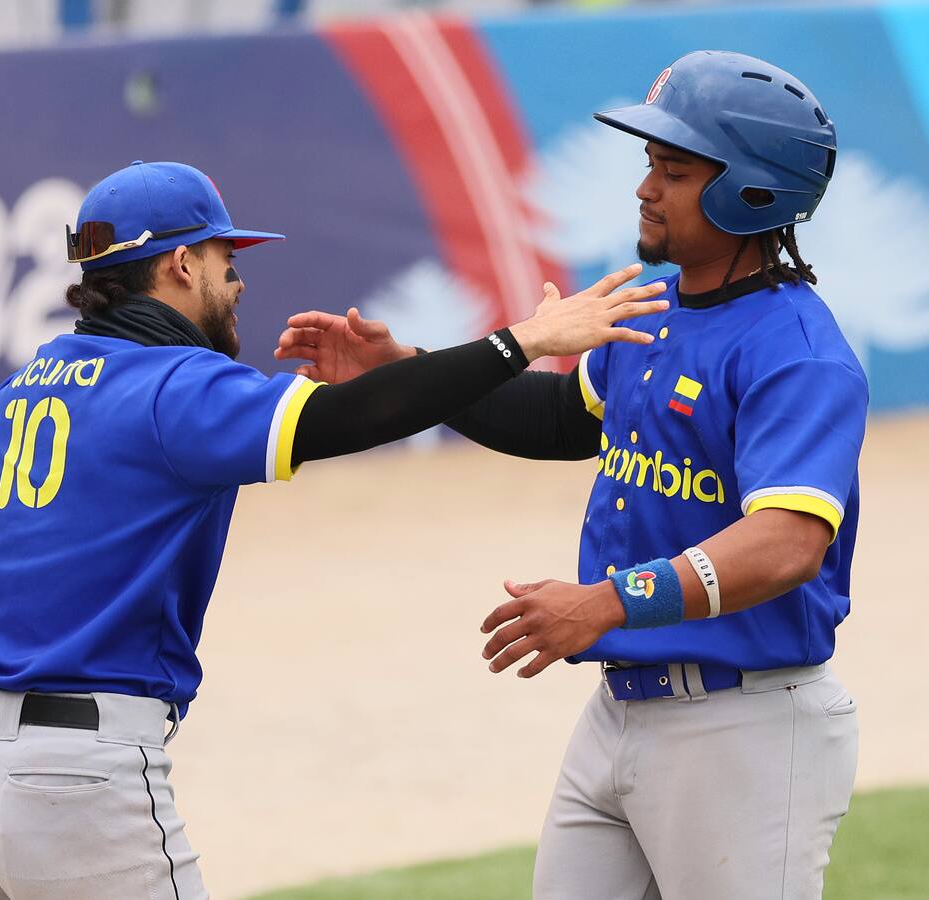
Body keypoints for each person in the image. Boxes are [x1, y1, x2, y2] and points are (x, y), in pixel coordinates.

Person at [0, 159, 670, 900]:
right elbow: (348, 421)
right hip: (69, 786)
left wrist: (397, 364)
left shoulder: (23, 385)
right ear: (177, 268)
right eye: (223, 257)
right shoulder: (172, 388)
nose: (237, 280)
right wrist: (524, 341)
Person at [275, 51, 866, 899]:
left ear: (752, 191)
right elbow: (560, 421)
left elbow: (786, 546)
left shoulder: (797, 352)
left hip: (748, 728)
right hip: (620, 712)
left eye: (674, 170)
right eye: (649, 166)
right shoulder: (652, 309)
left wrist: (603, 602)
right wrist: (408, 367)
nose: (645, 188)